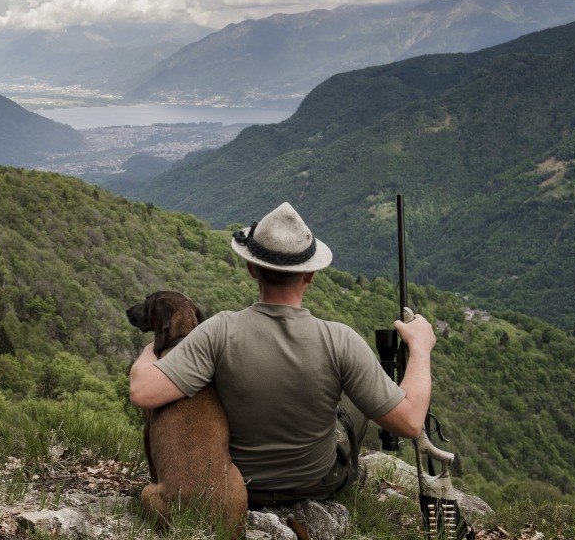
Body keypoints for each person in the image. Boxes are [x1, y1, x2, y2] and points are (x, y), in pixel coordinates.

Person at [129, 202, 435, 507]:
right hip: (317, 483)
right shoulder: (341, 340)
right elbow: (409, 423)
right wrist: (420, 348)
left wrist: (150, 351)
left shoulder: (217, 332)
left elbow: (143, 392)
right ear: (310, 275)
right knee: (355, 400)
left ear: (251, 268)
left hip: (238, 486)